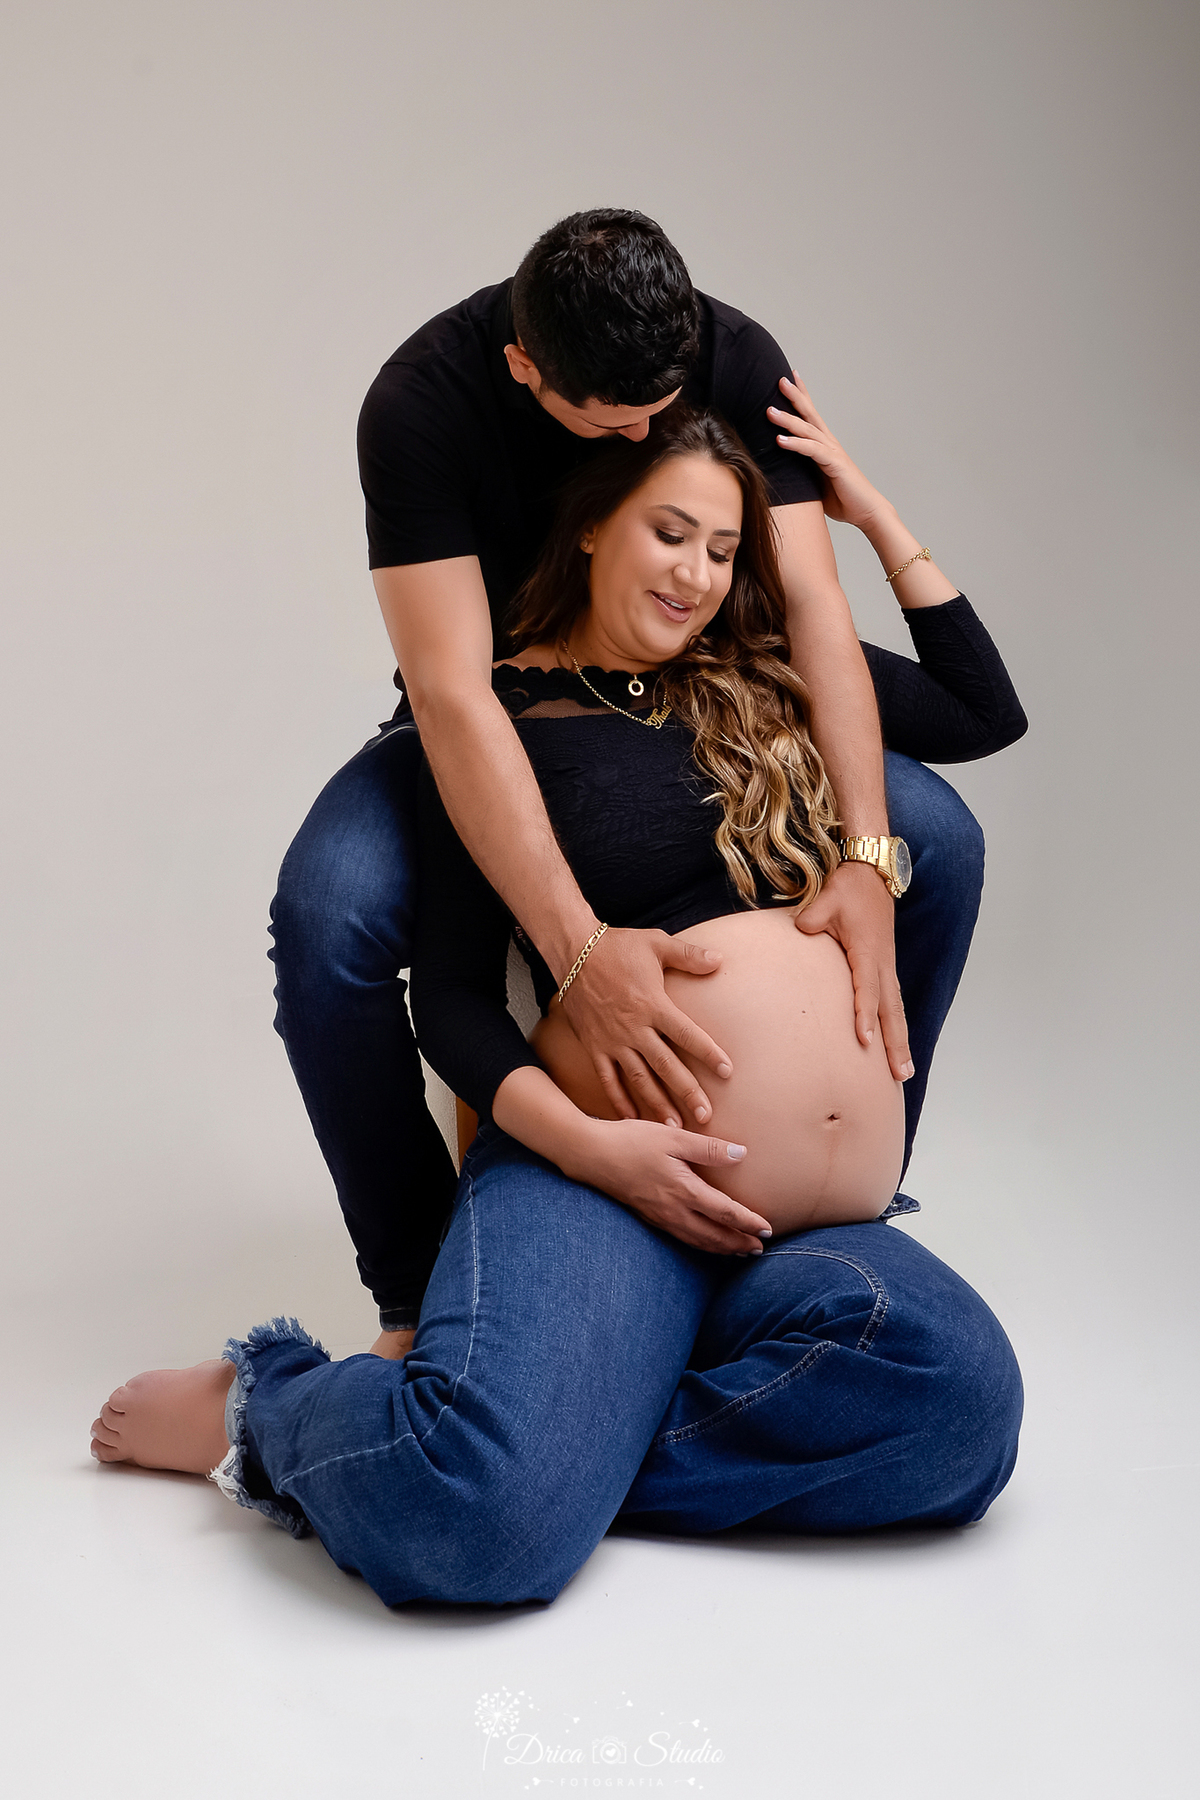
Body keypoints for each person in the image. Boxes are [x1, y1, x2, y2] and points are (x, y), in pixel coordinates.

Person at [90, 397, 1026, 1610]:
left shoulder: (771, 668)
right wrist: (604, 1152)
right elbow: (459, 1005)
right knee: (476, 1533)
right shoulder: (500, 719)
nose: (695, 575)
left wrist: (867, 513)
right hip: (604, 1183)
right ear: (592, 528)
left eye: (724, 550)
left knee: (961, 1414)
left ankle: (532, 1439)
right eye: (669, 533)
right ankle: (274, 1406)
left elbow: (982, 711)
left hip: (787, 1231)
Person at [270, 208, 988, 1356]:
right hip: (503, 708)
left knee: (934, 840)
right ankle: (415, 1290)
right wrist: (577, 949)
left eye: (664, 408)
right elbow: (453, 692)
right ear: (524, 368)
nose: (647, 434)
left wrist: (862, 856)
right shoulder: (421, 407)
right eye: (616, 422)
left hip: (685, 696)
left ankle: (843, 1176)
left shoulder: (733, 351)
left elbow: (813, 611)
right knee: (328, 917)